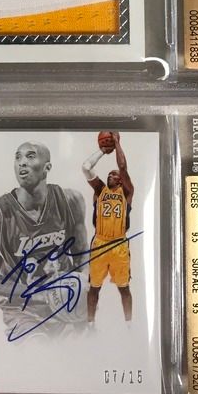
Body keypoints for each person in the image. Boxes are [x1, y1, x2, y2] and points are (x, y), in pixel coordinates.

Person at [0, 141, 88, 340]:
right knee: (38, 352)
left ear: (47, 167)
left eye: (30, 156)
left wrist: (83, 286)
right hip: (23, 309)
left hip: (66, 304)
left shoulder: (70, 200)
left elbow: (82, 255)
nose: (22, 162)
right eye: (18, 157)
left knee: (84, 351)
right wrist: (38, 293)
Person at [81, 131, 134, 322]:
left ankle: (129, 325)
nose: (112, 175)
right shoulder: (100, 190)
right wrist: (103, 151)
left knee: (124, 288)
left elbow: (123, 167)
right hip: (100, 243)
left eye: (115, 174)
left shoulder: (127, 192)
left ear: (121, 180)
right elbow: (86, 167)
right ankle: (90, 323)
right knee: (94, 288)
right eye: (109, 174)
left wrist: (117, 143)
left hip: (119, 244)